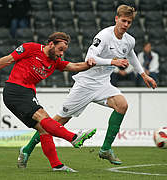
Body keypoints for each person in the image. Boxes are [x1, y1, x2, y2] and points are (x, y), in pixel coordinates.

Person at [17, 5, 157, 167]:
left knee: (122, 105)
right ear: (116, 19)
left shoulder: (129, 40)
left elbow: (131, 53)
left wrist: (143, 74)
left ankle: (105, 149)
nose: (126, 24)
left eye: (129, 22)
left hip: (103, 84)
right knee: (56, 122)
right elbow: (90, 57)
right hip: (85, 84)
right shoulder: (104, 36)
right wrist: (112, 61)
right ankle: (27, 149)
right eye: (123, 20)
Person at [0, 32, 97, 172]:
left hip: (26, 94)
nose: (61, 54)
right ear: (51, 44)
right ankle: (73, 138)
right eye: (60, 49)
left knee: (44, 129)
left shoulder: (54, 62)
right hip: (15, 90)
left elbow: (74, 66)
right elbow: (7, 60)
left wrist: (90, 64)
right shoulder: (31, 48)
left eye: (64, 51)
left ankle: (56, 165)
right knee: (43, 117)